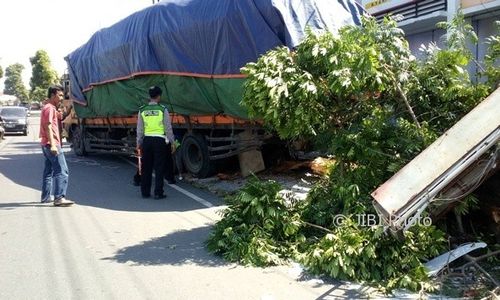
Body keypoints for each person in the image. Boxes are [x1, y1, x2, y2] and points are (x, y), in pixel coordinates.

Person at [136, 86, 176, 199]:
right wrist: (172, 142)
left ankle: (145, 192)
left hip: (147, 141)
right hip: (160, 141)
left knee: (146, 167)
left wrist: (138, 143)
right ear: (159, 96)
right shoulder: (163, 109)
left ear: (149, 96)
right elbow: (168, 128)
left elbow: (140, 129)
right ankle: (158, 193)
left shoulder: (142, 110)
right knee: (159, 167)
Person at [39, 85, 74, 206]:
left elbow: (61, 117)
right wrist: (53, 145)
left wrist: (68, 108)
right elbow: (48, 125)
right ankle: (59, 198)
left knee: (48, 172)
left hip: (46, 144)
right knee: (62, 170)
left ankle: (45, 197)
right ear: (53, 95)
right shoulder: (49, 108)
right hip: (51, 144)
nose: (61, 98)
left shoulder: (51, 108)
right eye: (59, 95)